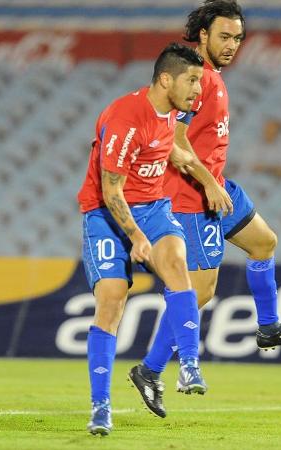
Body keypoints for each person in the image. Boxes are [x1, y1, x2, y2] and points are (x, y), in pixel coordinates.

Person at [128, 0, 281, 419]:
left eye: (238, 38)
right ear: (203, 35)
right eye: (224, 37)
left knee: (264, 242)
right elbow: (172, 141)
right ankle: (150, 369)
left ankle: (268, 327)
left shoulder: (211, 77)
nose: (232, 45)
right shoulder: (194, 78)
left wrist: (216, 182)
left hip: (216, 188)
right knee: (200, 293)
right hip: (192, 196)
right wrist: (209, 182)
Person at [77, 43, 231, 436]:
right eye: (192, 80)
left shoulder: (176, 111)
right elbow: (111, 191)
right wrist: (136, 236)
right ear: (166, 80)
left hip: (153, 206)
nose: (199, 88)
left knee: (180, 267)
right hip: (108, 214)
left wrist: (209, 180)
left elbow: (176, 151)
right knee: (111, 299)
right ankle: (100, 406)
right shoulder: (127, 118)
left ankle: (190, 366)